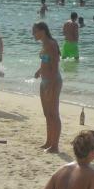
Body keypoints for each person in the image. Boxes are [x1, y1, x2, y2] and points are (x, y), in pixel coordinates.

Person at [34, 21, 62, 152]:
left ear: (42, 31)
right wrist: (39, 71)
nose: (33, 34)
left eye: (35, 31)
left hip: (53, 81)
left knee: (53, 113)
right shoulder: (44, 43)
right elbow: (46, 61)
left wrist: (51, 84)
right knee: (47, 113)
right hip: (44, 80)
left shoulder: (51, 44)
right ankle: (48, 141)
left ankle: (55, 146)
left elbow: (55, 65)